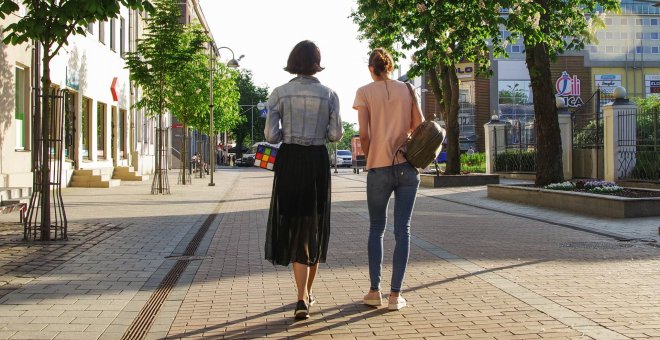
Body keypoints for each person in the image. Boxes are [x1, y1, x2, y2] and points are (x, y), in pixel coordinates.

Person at [264, 40, 343, 320]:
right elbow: (335, 135)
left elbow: (272, 137)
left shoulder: (279, 93)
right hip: (316, 162)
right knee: (314, 225)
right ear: (316, 63)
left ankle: (300, 297)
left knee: (295, 224)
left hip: (291, 161)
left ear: (293, 61)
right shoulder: (330, 94)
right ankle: (306, 294)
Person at [353, 48, 424, 311]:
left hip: (378, 168)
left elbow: (364, 134)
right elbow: (419, 125)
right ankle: (396, 295)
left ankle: (375, 292)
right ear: (390, 67)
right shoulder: (407, 89)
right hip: (407, 166)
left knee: (376, 229)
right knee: (402, 230)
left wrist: (373, 157)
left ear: (371, 69)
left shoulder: (364, 92)